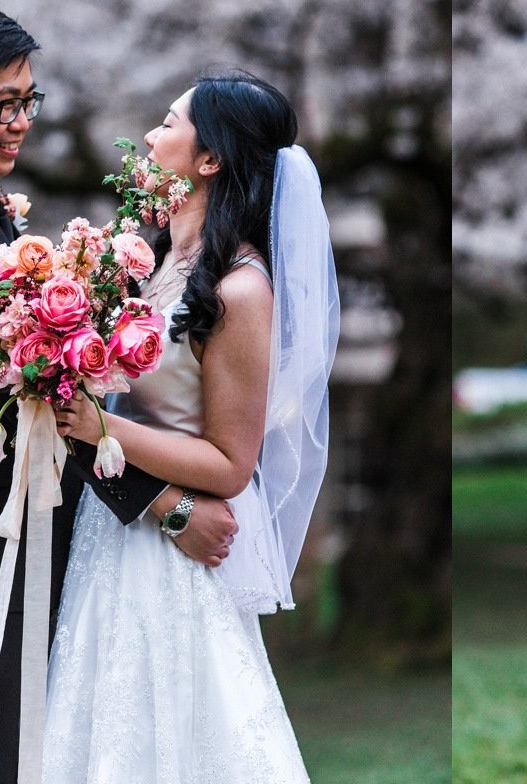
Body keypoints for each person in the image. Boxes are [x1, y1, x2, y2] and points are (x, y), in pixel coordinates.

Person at [0, 2, 238, 784]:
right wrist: (166, 506)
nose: (21, 121)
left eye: (29, 100)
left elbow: (3, 387)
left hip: (1, 534)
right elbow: (37, 396)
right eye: (4, 103)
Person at [44, 73, 338, 782]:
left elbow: (232, 463)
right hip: (110, 534)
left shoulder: (239, 290)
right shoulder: (142, 265)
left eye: (169, 122)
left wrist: (96, 428)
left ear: (210, 159)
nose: (150, 135)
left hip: (171, 566)